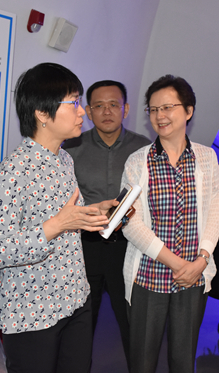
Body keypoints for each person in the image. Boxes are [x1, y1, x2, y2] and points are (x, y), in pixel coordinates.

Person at [0, 63, 117, 373]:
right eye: (73, 102)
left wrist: (96, 211)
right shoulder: (12, 172)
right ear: (42, 113)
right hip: (33, 309)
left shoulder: (64, 158)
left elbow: (70, 215)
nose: (82, 112)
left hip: (75, 295)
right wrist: (57, 225)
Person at [121, 75, 219, 373]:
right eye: (153, 110)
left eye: (167, 107)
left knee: (183, 360)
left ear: (188, 111)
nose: (160, 116)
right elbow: (130, 222)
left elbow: (216, 209)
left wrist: (201, 260)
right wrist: (180, 264)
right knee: (142, 361)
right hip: (149, 276)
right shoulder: (137, 161)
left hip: (194, 276)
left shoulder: (206, 157)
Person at [63, 80, 150, 367]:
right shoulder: (71, 147)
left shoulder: (144, 148)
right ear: (88, 111)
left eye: (114, 104)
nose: (107, 111)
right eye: (99, 106)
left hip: (129, 245)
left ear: (126, 109)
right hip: (84, 246)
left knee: (132, 321)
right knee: (81, 322)